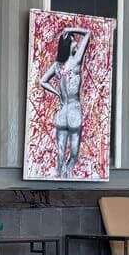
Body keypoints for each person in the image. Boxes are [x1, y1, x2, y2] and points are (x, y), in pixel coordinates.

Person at [40, 26, 90, 178]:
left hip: (63, 111)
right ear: (69, 46)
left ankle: (61, 176)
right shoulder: (75, 61)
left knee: (60, 153)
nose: (76, 44)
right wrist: (70, 28)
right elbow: (88, 33)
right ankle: (68, 173)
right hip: (74, 110)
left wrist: (57, 93)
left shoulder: (57, 66)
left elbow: (43, 81)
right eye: (74, 42)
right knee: (74, 154)